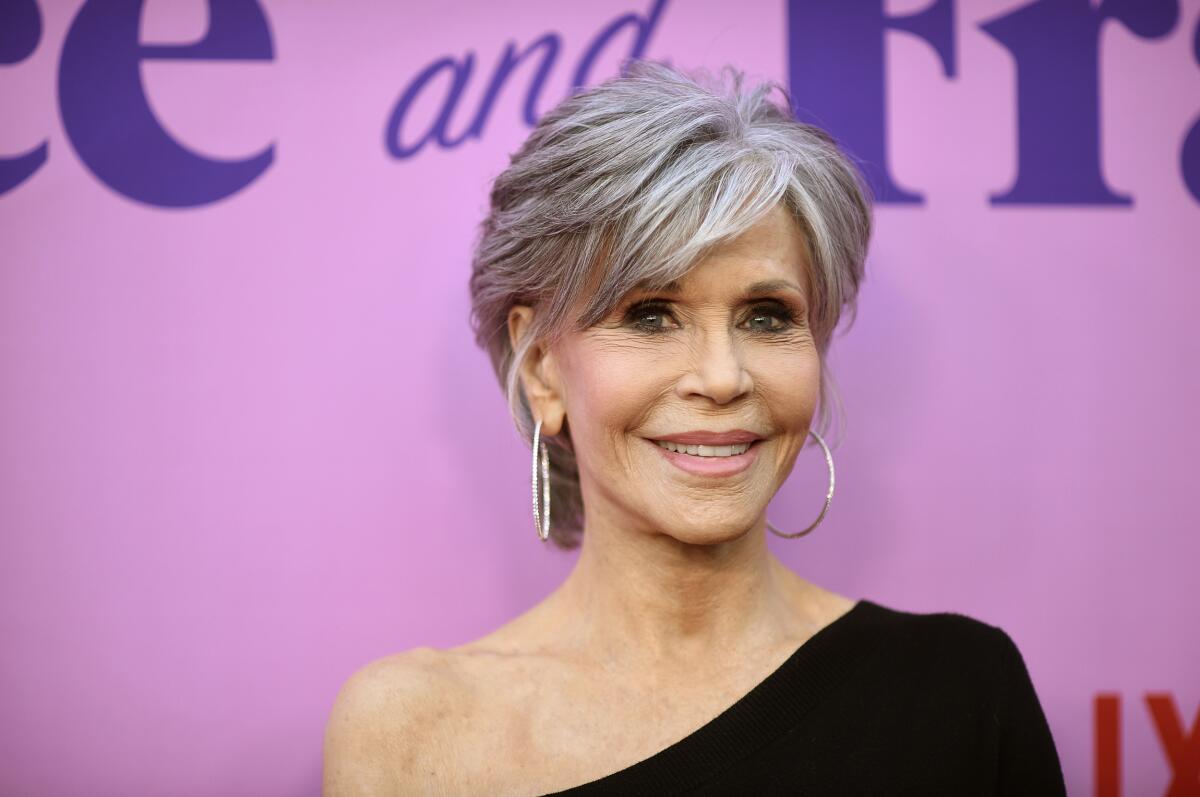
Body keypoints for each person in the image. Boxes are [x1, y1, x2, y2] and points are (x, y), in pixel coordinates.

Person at [322, 60, 1066, 795]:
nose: (722, 376)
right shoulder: (410, 734)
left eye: (767, 316)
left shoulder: (961, 695)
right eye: (650, 314)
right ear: (543, 365)